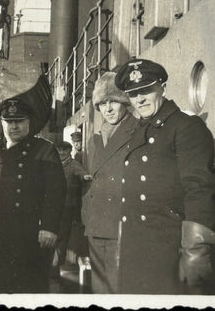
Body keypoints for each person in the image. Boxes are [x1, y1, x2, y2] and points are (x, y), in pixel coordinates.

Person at [114, 59, 215, 294]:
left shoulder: (186, 126)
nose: (139, 99)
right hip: (136, 247)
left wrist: (196, 250)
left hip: (168, 249)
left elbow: (199, 189)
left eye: (145, 90)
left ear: (162, 87)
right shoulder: (141, 129)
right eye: (133, 94)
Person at [0, 98, 67, 293]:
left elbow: (56, 192)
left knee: (27, 287)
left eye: (20, 121)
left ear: (29, 122)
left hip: (28, 233)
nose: (15, 126)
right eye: (9, 121)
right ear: (2, 122)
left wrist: (49, 227)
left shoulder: (44, 150)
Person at [81, 72, 138, 293]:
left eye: (113, 101)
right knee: (100, 290)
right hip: (96, 227)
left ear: (125, 102)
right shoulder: (95, 139)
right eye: (102, 103)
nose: (108, 109)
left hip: (122, 227)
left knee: (119, 290)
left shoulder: (138, 131)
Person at [54, 141, 90, 268]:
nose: (62, 152)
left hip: (67, 207)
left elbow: (82, 172)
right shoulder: (52, 163)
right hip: (52, 207)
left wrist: (85, 176)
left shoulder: (74, 164)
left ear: (70, 151)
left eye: (65, 150)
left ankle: (57, 267)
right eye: (59, 150)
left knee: (62, 236)